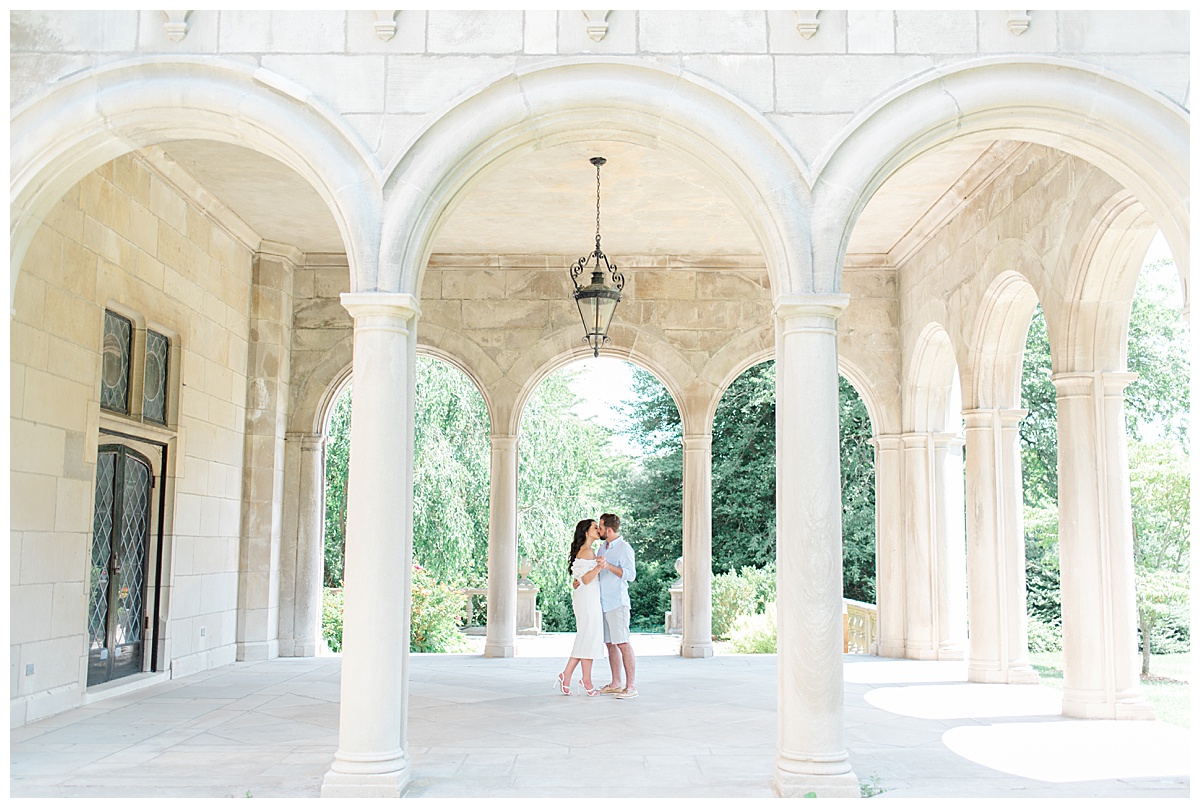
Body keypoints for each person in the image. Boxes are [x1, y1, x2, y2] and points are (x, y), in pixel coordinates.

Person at [556, 519, 606, 696]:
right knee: (588, 636)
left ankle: (571, 675)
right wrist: (599, 566)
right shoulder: (587, 551)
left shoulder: (587, 551)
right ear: (586, 532)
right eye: (595, 527)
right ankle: (583, 679)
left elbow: (580, 578)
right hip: (587, 598)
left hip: (587, 597)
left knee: (587, 636)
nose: (598, 530)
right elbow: (585, 579)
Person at [595, 512, 638, 698]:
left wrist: (608, 566)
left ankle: (631, 686)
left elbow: (631, 575)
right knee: (610, 644)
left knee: (623, 643)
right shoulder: (601, 548)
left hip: (617, 603)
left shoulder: (625, 548)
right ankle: (616, 683)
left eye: (600, 526)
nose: (598, 529)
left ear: (609, 530)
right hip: (602, 604)